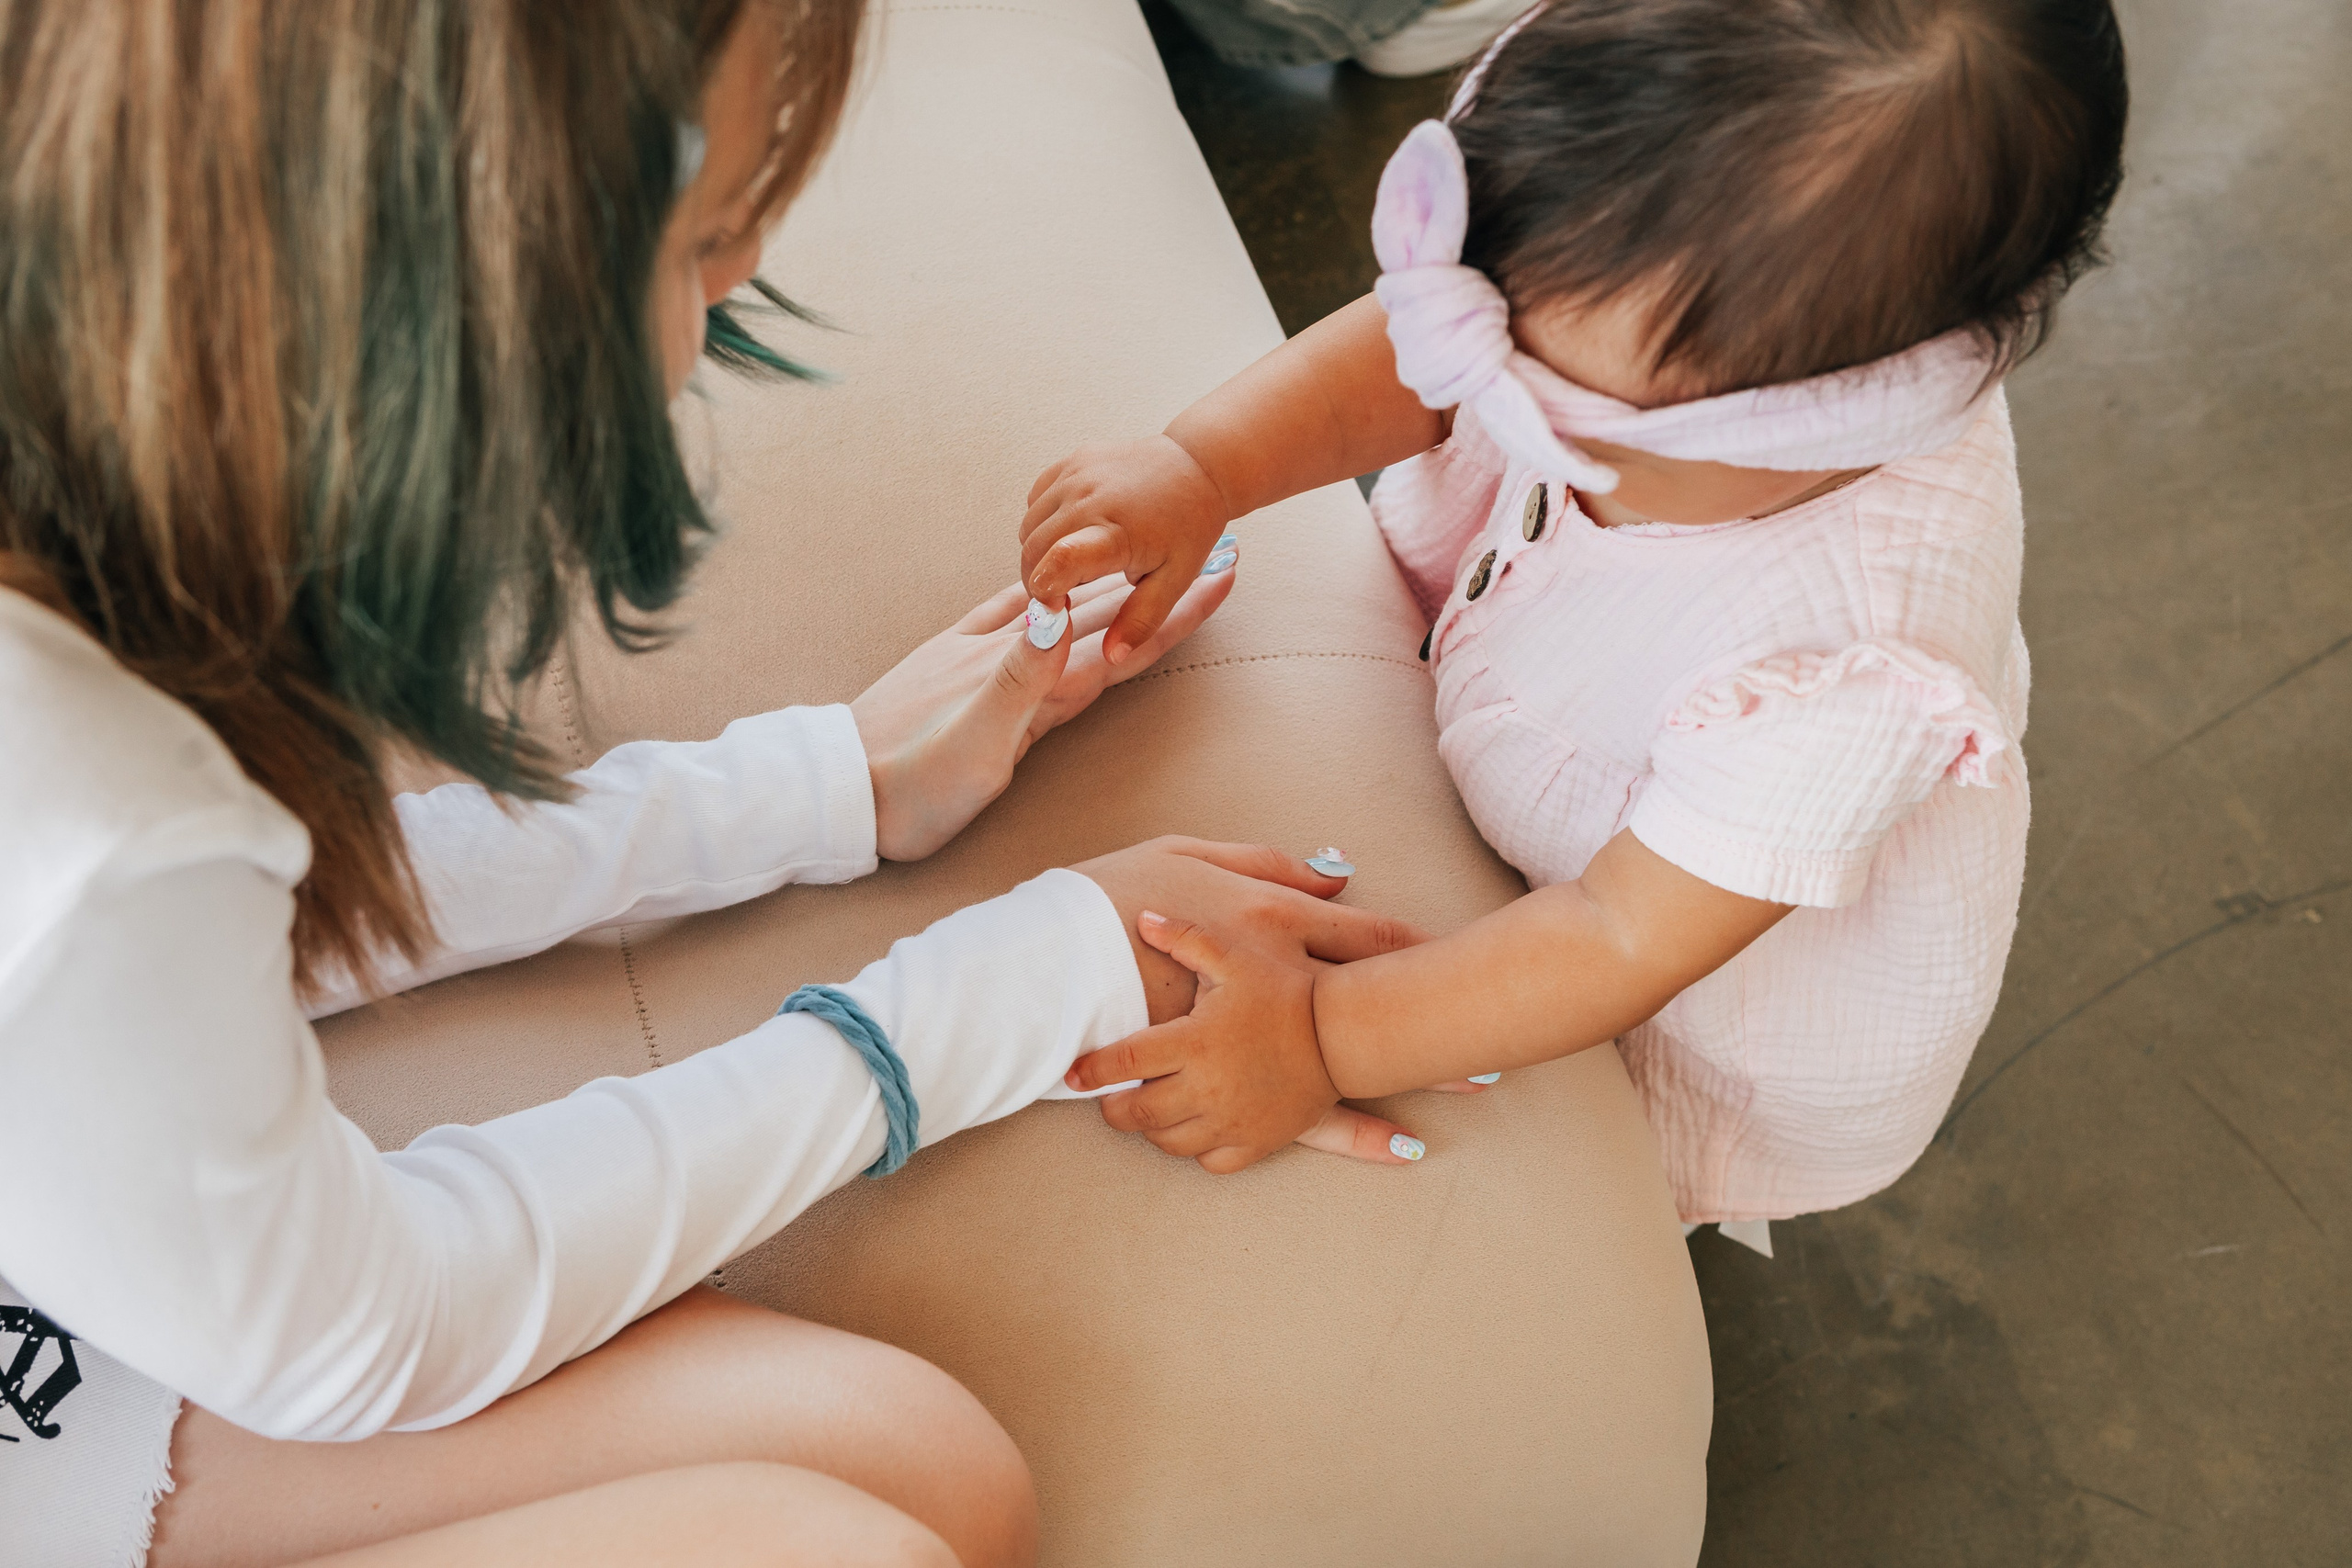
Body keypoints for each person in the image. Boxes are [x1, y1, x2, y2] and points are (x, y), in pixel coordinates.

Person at [0, 3, 1433, 1564]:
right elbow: (360, 1325)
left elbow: (157, 949)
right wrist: (1000, 991)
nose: (739, 275)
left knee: (919, 1473)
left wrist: (822, 785)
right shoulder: (95, 785)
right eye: (707, 232)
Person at [1021, 0, 2129, 1237]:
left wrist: (1326, 1034)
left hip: (1668, 953)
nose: (1487, 402)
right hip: (1538, 669)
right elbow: (1414, 364)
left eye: (1568, 421)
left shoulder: (1838, 677)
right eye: (1488, 345)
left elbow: (1617, 936)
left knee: (1605, 1151)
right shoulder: (1670, 330)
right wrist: (1205, 466)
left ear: (1862, 412)